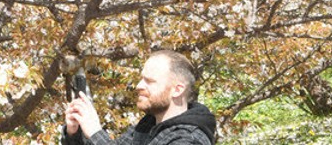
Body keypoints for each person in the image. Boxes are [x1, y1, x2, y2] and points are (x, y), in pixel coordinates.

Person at [64, 50, 217, 145]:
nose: (138, 86)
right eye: (141, 79)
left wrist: (95, 132)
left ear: (177, 90)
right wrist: (75, 132)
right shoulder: (146, 127)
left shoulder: (189, 140)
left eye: (149, 81)